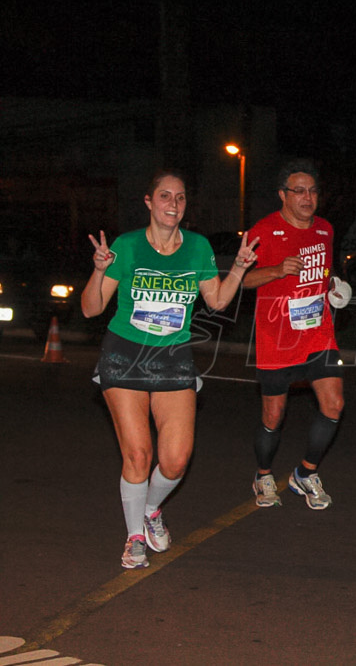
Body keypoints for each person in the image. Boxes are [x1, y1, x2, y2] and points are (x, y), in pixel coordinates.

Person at [82, 170, 258, 569]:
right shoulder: (125, 247)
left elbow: (215, 302)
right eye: (165, 197)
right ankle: (134, 537)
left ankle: (151, 509)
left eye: (179, 198)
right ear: (149, 202)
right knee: (139, 454)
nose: (173, 205)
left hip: (173, 356)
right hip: (124, 355)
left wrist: (239, 269)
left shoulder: (197, 247)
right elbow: (91, 309)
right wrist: (98, 269)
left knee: (176, 459)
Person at [242, 159, 347, 510]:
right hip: (277, 339)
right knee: (273, 416)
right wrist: (275, 270)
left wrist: (334, 288)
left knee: (333, 405)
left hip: (319, 334)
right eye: (298, 191)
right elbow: (242, 280)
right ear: (282, 195)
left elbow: (325, 273)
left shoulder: (325, 230)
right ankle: (263, 474)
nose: (307, 197)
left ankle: (305, 473)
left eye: (313, 191)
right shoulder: (262, 231)